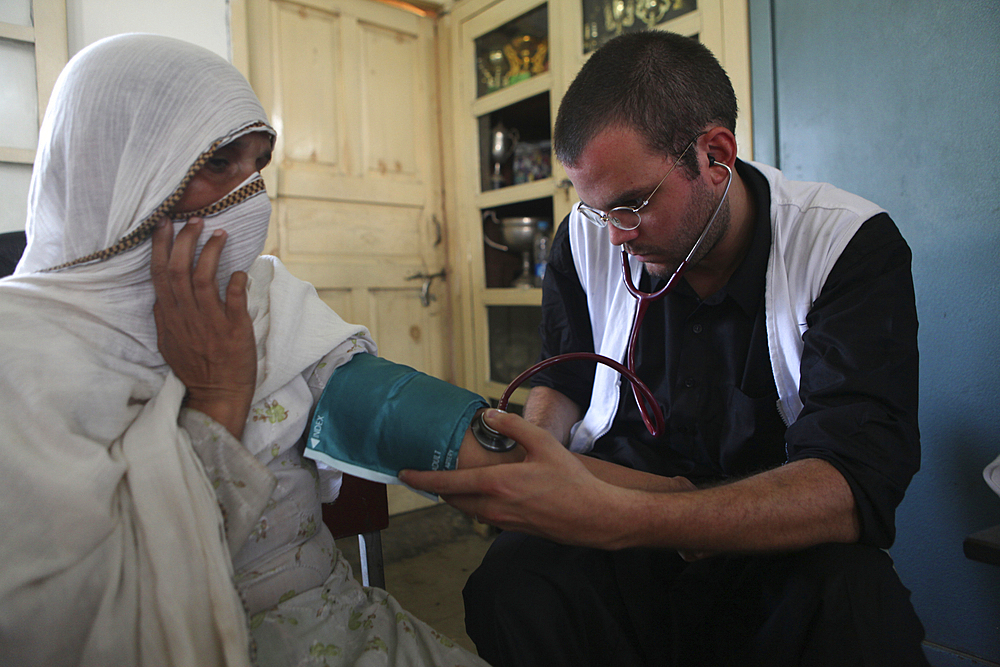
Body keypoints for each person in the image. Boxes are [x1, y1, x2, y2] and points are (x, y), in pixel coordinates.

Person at [400, 31, 928, 666]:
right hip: (622, 533)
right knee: (512, 586)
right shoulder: (587, 239)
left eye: (632, 206)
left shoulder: (845, 248)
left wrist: (627, 515)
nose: (616, 239)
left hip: (772, 543)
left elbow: (852, 485)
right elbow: (566, 379)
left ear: (715, 154)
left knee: (855, 609)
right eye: (597, 212)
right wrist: (531, 449)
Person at [0, 34, 515, 667]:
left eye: (259, 165)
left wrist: (569, 473)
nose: (251, 197)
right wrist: (219, 398)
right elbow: (75, 629)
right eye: (219, 163)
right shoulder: (16, 357)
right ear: (125, 165)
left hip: (346, 629)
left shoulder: (262, 297)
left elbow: (394, 410)